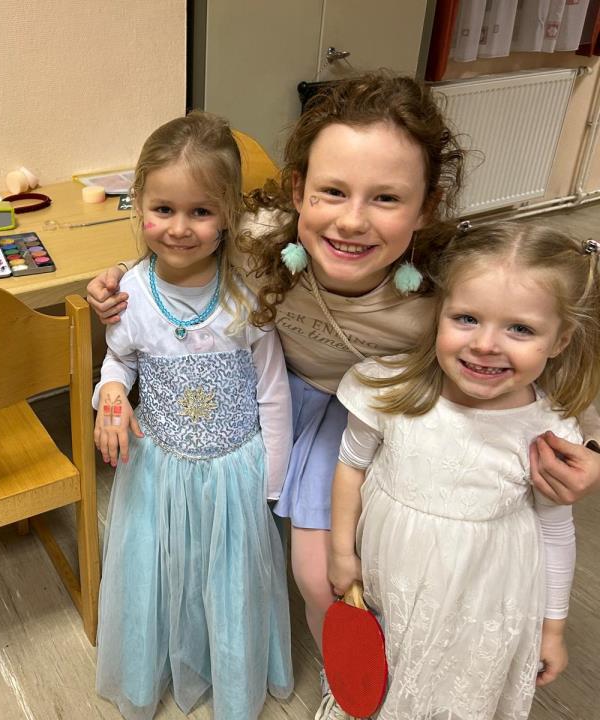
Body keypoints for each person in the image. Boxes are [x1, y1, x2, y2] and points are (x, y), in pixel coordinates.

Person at [85, 72, 600, 719]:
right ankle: (349, 673)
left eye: (386, 198)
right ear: (297, 190)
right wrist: (116, 281)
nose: (352, 221)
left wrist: (589, 445)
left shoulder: (445, 287)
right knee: (308, 572)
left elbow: (546, 345)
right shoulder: (258, 238)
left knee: (370, 567)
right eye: (333, 191)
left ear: (427, 206)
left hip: (383, 420)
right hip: (279, 406)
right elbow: (177, 230)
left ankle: (382, 674)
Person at [329, 223, 598, 718]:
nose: (486, 344)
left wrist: (552, 629)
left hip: (484, 600)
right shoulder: (388, 392)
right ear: (439, 314)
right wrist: (341, 552)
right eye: (467, 318)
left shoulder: (547, 430)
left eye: (520, 329)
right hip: (392, 582)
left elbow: (556, 530)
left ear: (560, 340)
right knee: (384, 679)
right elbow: (351, 467)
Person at [94, 111, 294, 720]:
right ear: (139, 205)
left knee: (229, 580)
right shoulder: (129, 295)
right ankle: (156, 664)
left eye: (201, 211)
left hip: (235, 473)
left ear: (228, 213)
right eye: (164, 209)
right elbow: (119, 360)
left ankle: (230, 675)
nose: (180, 228)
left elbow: (272, 388)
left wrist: (273, 480)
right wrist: (111, 397)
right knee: (162, 574)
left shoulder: (247, 297)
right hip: (159, 471)